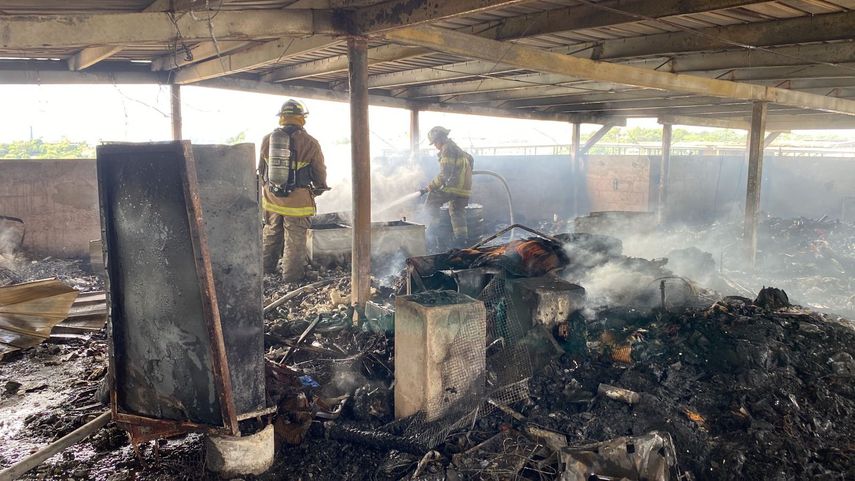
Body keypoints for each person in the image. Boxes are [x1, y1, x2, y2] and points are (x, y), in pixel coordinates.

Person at [259, 99, 329, 281]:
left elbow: (261, 169)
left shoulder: (267, 139)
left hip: (271, 198)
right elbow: (319, 172)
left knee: (271, 232)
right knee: (295, 240)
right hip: (297, 201)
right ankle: (291, 278)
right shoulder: (310, 142)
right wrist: (320, 186)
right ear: (301, 118)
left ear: (282, 117)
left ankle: (265, 270)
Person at [420, 126, 473, 247]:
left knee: (433, 199)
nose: (435, 146)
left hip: (454, 188)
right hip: (464, 189)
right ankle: (461, 241)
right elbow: (471, 158)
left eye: (435, 143)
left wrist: (430, 187)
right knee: (457, 212)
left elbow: (444, 175)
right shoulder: (457, 149)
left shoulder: (447, 149)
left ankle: (433, 231)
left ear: (440, 139)